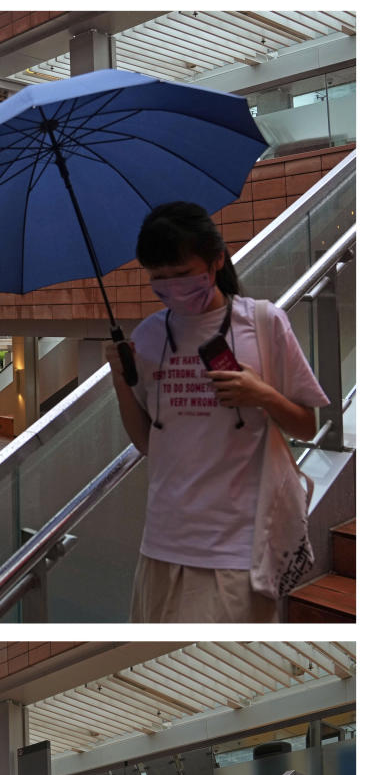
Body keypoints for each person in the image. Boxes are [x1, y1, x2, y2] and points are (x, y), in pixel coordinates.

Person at [105, 201, 329, 623]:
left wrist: (261, 393)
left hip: (238, 547)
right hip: (162, 542)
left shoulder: (264, 323)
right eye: (160, 279)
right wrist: (120, 378)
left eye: (183, 274)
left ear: (217, 259)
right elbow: (146, 443)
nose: (172, 288)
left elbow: (306, 423)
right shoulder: (150, 336)